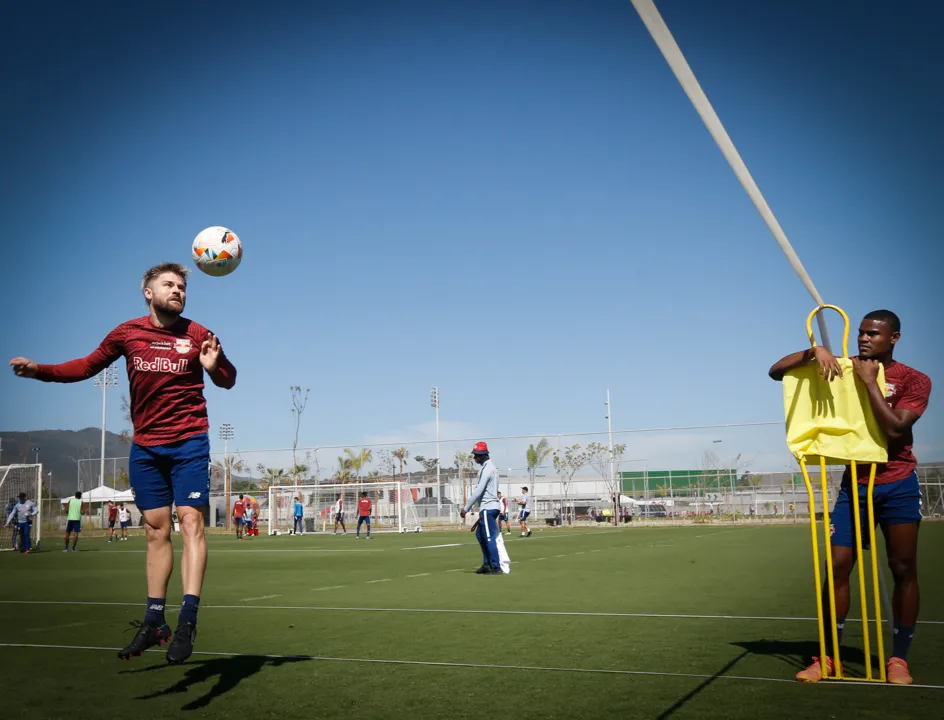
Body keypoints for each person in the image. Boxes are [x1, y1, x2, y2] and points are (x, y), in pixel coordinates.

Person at [9, 261, 236, 664]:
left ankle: (187, 620)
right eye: (169, 284)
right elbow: (85, 366)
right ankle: (155, 621)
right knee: (154, 531)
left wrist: (214, 365)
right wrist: (39, 371)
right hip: (146, 447)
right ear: (148, 292)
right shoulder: (126, 333)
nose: (178, 290)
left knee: (191, 521)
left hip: (188, 442)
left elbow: (229, 378)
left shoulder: (198, 333)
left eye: (182, 286)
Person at [769, 309, 931, 685]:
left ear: (894, 338)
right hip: (855, 485)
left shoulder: (914, 379)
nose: (864, 339)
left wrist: (871, 383)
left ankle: (898, 660)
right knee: (838, 567)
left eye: (874, 334)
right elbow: (776, 372)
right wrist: (814, 352)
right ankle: (828, 657)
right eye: (861, 333)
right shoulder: (844, 366)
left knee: (903, 568)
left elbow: (895, 430)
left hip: (898, 481)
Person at [459, 442, 503, 574]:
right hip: (491, 507)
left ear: (483, 455)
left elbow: (479, 490)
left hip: (488, 507)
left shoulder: (486, 469)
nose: (475, 458)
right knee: (480, 534)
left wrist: (466, 508)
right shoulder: (492, 468)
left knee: (489, 537)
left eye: (477, 456)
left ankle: (495, 566)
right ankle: (486, 564)